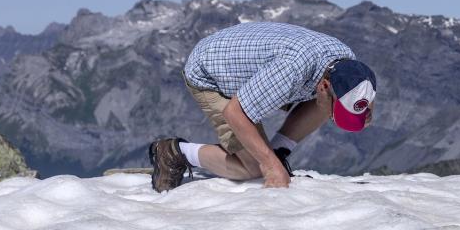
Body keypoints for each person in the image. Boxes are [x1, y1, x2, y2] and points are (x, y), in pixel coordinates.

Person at [148, 22, 376, 192]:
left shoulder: (348, 64)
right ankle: (174, 152)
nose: (334, 120)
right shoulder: (291, 69)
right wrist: (268, 165)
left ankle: (277, 151)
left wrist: (362, 109)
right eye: (336, 114)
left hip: (253, 64)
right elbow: (235, 113)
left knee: (322, 105)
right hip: (211, 73)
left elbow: (358, 90)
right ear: (325, 85)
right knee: (252, 168)